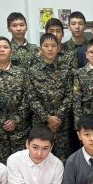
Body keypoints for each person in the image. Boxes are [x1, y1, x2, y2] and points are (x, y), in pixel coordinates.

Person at [27, 33, 74, 162]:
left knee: (62, 157)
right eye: (46, 46)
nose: (50, 49)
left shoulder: (66, 69)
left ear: (58, 48)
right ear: (40, 48)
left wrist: (57, 117)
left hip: (61, 122)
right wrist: (47, 118)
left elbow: (70, 95)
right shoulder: (32, 71)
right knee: (40, 156)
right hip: (40, 121)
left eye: (53, 46)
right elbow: (32, 98)